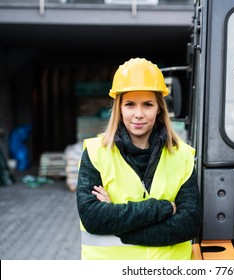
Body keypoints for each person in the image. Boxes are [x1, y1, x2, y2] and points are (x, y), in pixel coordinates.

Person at [76, 58, 202, 260]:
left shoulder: (183, 157)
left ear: (159, 108)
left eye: (147, 104)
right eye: (130, 105)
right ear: (119, 108)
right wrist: (165, 207)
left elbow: (188, 224)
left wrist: (119, 224)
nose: (139, 114)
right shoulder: (95, 153)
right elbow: (94, 218)